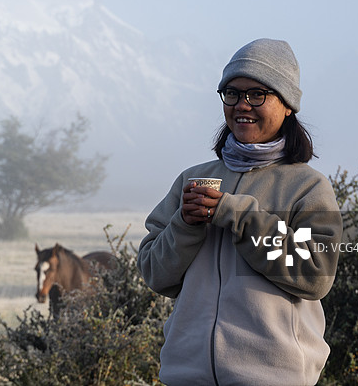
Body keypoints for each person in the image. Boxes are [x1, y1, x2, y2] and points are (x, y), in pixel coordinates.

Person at [137, 38, 343, 386]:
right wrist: (186, 225)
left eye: (257, 94)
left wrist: (240, 216)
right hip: (186, 376)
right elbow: (155, 273)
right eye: (231, 93)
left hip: (273, 377)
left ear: (288, 104)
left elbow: (316, 273)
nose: (242, 105)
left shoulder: (307, 187)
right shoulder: (192, 179)